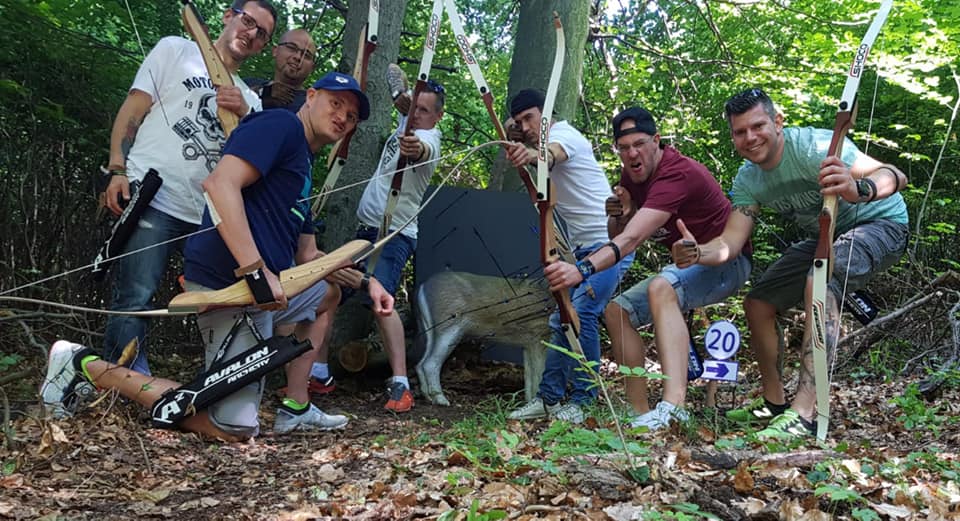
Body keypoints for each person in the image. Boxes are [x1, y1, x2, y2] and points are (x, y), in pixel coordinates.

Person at [41, 72, 394, 439]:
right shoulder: (280, 125)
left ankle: (296, 406)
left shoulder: (302, 164)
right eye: (336, 103)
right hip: (230, 286)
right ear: (311, 96)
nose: (342, 117)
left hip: (264, 292)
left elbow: (309, 255)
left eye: (351, 116)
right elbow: (220, 184)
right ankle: (83, 364)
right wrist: (256, 272)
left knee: (327, 295)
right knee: (235, 427)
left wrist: (369, 283)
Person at [675, 88, 908, 439]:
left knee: (820, 279)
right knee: (758, 304)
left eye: (758, 126)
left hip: (881, 225)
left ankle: (805, 413)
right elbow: (730, 243)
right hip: (825, 237)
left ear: (778, 122)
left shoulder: (815, 148)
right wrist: (697, 253)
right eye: (740, 131)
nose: (750, 138)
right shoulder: (748, 180)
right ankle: (775, 403)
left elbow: (895, 174)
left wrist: (859, 189)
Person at [542, 107, 753, 431]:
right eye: (623, 148)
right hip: (688, 265)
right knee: (616, 311)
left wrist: (581, 269)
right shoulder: (632, 175)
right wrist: (619, 213)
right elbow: (619, 231)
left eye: (639, 144)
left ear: (657, 141)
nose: (632, 154)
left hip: (727, 263)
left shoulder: (675, 173)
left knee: (661, 287)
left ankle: (674, 406)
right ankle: (639, 413)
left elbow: (629, 241)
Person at [101, 0, 278, 375]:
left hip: (209, 215)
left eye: (262, 33)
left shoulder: (252, 99)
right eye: (248, 21)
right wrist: (117, 168)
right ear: (229, 16)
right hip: (154, 196)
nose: (251, 34)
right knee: (135, 296)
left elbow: (250, 165)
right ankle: (127, 382)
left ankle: (219, 380)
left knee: (221, 300)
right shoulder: (176, 50)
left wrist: (244, 116)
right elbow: (133, 110)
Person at [503, 90, 635, 424]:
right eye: (520, 122)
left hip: (611, 247)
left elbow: (552, 153)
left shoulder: (565, 135)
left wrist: (531, 154)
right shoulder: (539, 137)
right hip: (582, 252)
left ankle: (585, 400)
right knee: (560, 319)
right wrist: (512, 132)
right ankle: (549, 399)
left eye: (531, 118)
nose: (526, 126)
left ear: (547, 113)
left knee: (583, 312)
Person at [331, 67, 444, 413]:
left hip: (394, 236)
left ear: (438, 116)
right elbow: (398, 90)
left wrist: (413, 144)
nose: (417, 115)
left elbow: (420, 148)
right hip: (367, 231)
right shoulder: (406, 121)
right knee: (330, 290)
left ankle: (400, 383)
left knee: (383, 302)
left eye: (425, 111)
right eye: (415, 109)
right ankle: (318, 371)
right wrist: (401, 95)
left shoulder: (430, 139)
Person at [246, 28, 317, 111]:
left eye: (306, 55)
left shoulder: (313, 105)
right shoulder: (248, 84)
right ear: (275, 51)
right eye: (291, 48)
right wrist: (264, 92)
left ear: (312, 67)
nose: (298, 57)